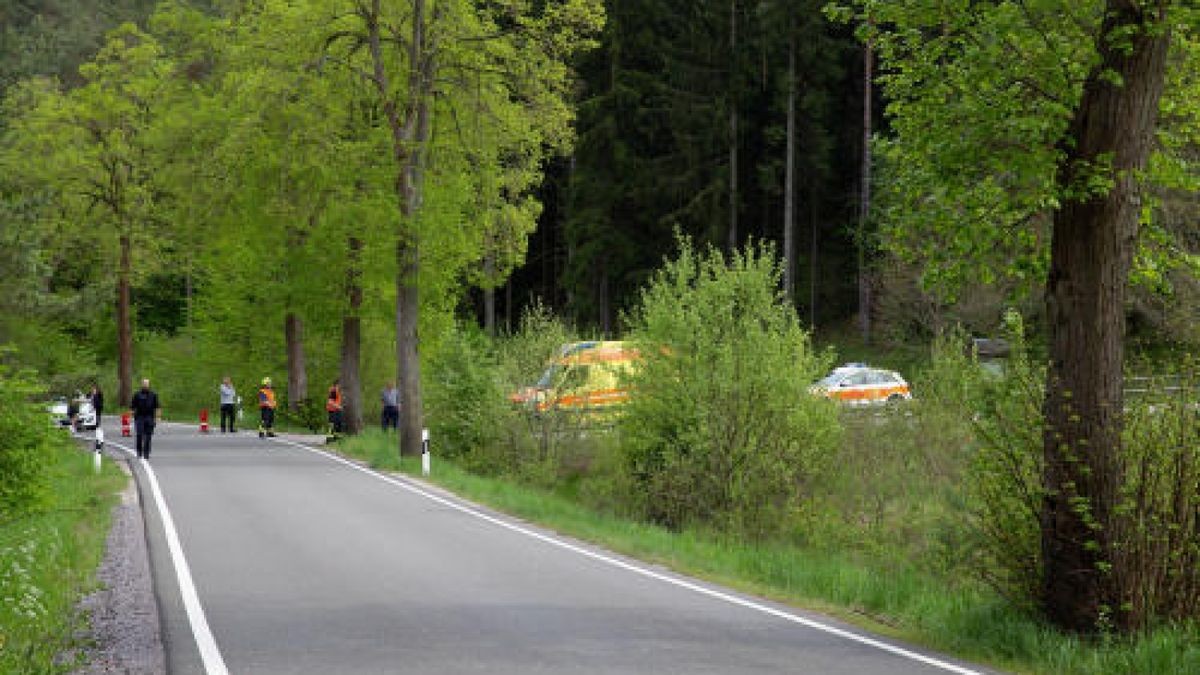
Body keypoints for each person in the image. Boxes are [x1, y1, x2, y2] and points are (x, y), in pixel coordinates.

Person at [130, 379, 161, 460]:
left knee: (148, 436)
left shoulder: (153, 395)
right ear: (141, 385)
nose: (145, 385)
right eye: (144, 384)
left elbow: (157, 407)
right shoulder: (137, 394)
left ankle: (146, 452)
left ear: (149, 385)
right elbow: (132, 407)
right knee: (139, 435)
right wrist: (131, 415)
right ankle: (139, 451)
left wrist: (158, 417)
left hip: (150, 417)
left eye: (146, 384)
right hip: (139, 417)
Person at [326, 378, 343, 442]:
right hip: (333, 411)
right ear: (337, 384)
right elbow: (330, 401)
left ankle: (336, 439)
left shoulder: (337, 390)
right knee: (332, 425)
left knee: (338, 425)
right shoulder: (333, 390)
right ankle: (330, 439)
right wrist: (339, 407)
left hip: (336, 410)